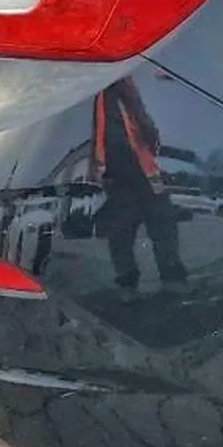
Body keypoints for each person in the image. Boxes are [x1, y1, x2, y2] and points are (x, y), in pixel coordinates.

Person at [90, 77, 187, 295]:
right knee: (124, 233)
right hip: (119, 176)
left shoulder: (121, 87)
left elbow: (145, 125)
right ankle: (130, 284)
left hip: (141, 171)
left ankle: (168, 279)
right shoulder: (104, 90)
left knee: (159, 225)